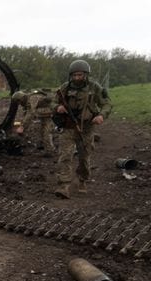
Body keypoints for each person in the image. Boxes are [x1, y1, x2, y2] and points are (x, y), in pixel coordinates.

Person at [53, 59, 112, 199]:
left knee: (84, 157)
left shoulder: (95, 88)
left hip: (86, 128)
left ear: (86, 74)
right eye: (74, 75)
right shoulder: (65, 88)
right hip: (68, 127)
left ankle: (82, 179)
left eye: (80, 75)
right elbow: (52, 101)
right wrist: (57, 107)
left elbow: (107, 103)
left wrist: (101, 116)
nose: (77, 78)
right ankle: (64, 186)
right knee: (65, 155)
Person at [11, 89, 55, 155]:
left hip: (51, 113)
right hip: (46, 114)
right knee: (43, 131)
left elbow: (31, 113)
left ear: (21, 99)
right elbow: (26, 114)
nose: (19, 104)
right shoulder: (28, 101)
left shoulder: (32, 98)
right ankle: (44, 146)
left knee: (46, 132)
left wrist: (22, 127)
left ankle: (50, 151)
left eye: (19, 102)